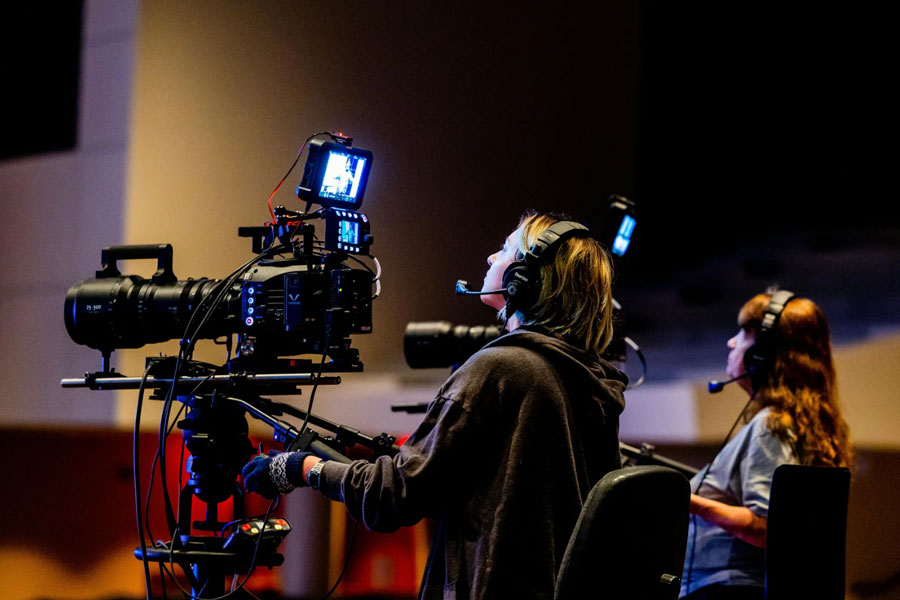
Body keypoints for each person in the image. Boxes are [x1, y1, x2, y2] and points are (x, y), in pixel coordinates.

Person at [242, 210, 628, 599]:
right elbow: (450, 481)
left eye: (507, 249)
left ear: (525, 281)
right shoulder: (591, 381)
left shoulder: (501, 369)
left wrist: (298, 467)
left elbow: (394, 497)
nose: (492, 258)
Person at [680, 291, 853, 600]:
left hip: (727, 590)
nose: (732, 343)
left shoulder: (771, 425)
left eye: (744, 334)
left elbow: (767, 526)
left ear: (761, 355)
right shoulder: (792, 424)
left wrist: (687, 501)